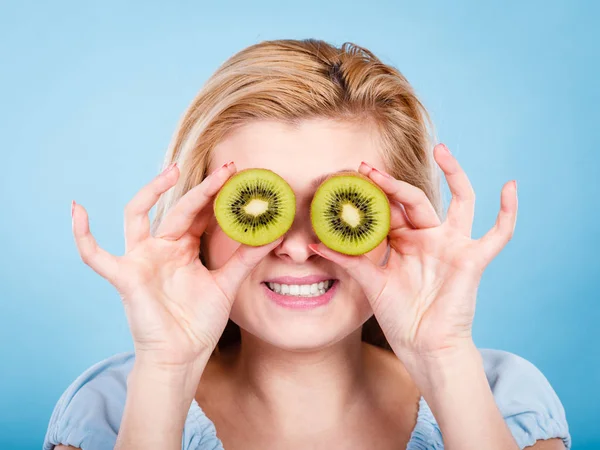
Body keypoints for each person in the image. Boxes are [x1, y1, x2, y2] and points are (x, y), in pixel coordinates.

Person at [43, 39, 571, 450]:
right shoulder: (112, 411)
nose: (297, 247)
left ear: (403, 224)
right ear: (198, 223)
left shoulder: (501, 401)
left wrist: (444, 356)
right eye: (256, 206)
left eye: (339, 207)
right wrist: (165, 372)